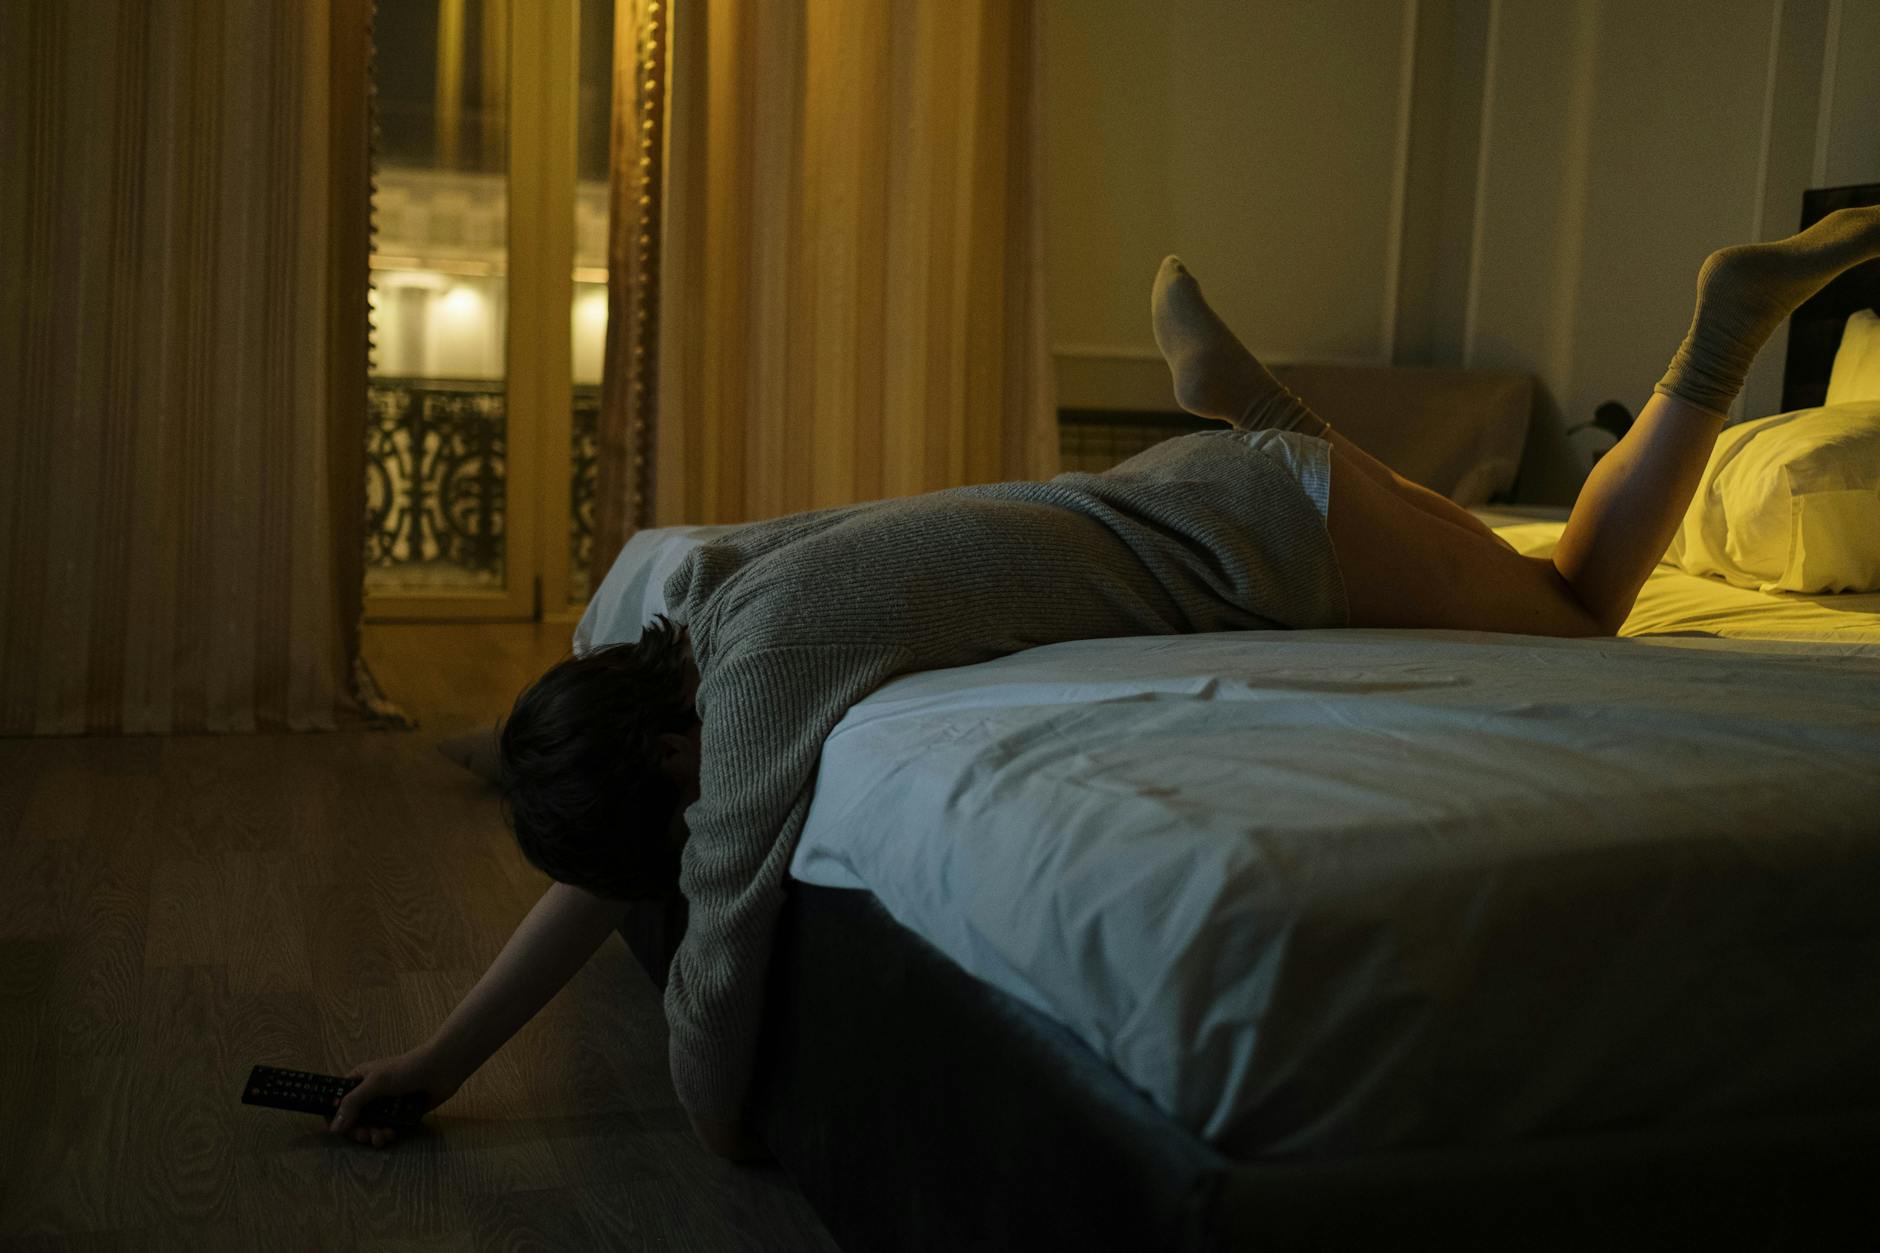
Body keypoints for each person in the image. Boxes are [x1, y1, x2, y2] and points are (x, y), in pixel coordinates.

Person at [330, 207, 1880, 1159]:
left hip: (1269, 530)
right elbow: (620, 868)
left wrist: (706, 1119)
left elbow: (715, 982)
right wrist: (436, 1060)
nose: (694, 829)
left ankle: (1724, 335)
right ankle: (1252, 403)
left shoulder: (761, 706)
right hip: (1217, 492)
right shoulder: (725, 596)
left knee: (1578, 609)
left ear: (676, 754)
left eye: (669, 810)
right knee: (1473, 548)